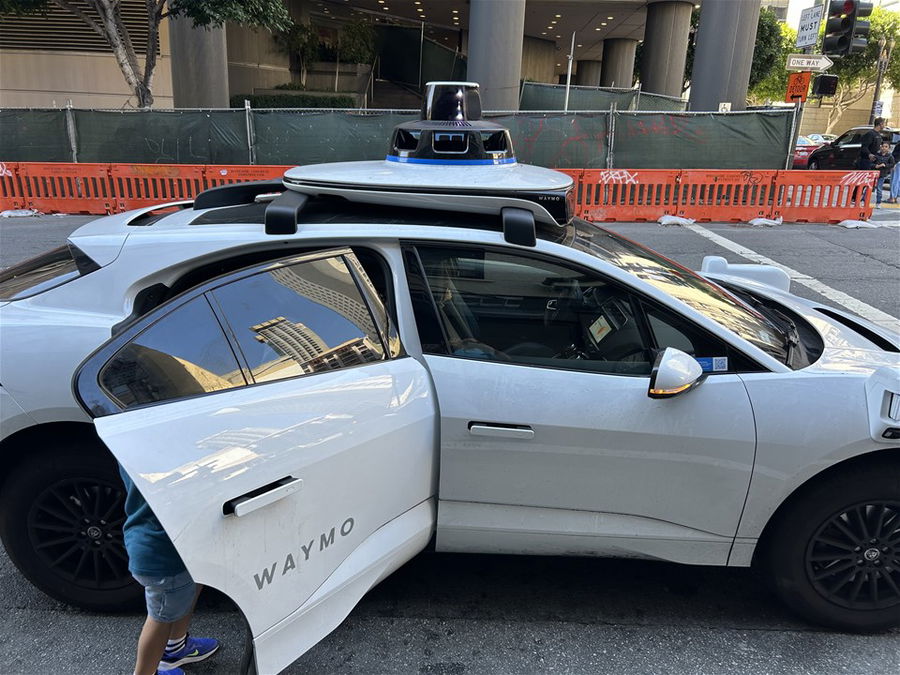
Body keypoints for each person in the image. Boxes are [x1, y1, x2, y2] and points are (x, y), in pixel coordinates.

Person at [119, 468, 220, 675]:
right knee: (160, 618)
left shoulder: (129, 444)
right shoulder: (166, 456)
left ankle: (176, 648)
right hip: (165, 552)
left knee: (190, 587)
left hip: (174, 543)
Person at [872, 141, 895, 207]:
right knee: (869, 188)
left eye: (886, 147)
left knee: (879, 189)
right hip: (874, 174)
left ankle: (878, 202)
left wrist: (885, 165)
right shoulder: (877, 155)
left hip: (882, 174)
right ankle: (863, 199)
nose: (884, 148)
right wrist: (875, 166)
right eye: (882, 146)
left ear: (889, 148)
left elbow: (892, 164)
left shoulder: (890, 156)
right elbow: (871, 163)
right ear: (880, 147)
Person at [888, 135, 900, 204]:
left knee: (894, 179)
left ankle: (892, 197)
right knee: (898, 180)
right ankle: (895, 197)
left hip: (897, 162)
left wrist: (894, 163)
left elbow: (898, 154)